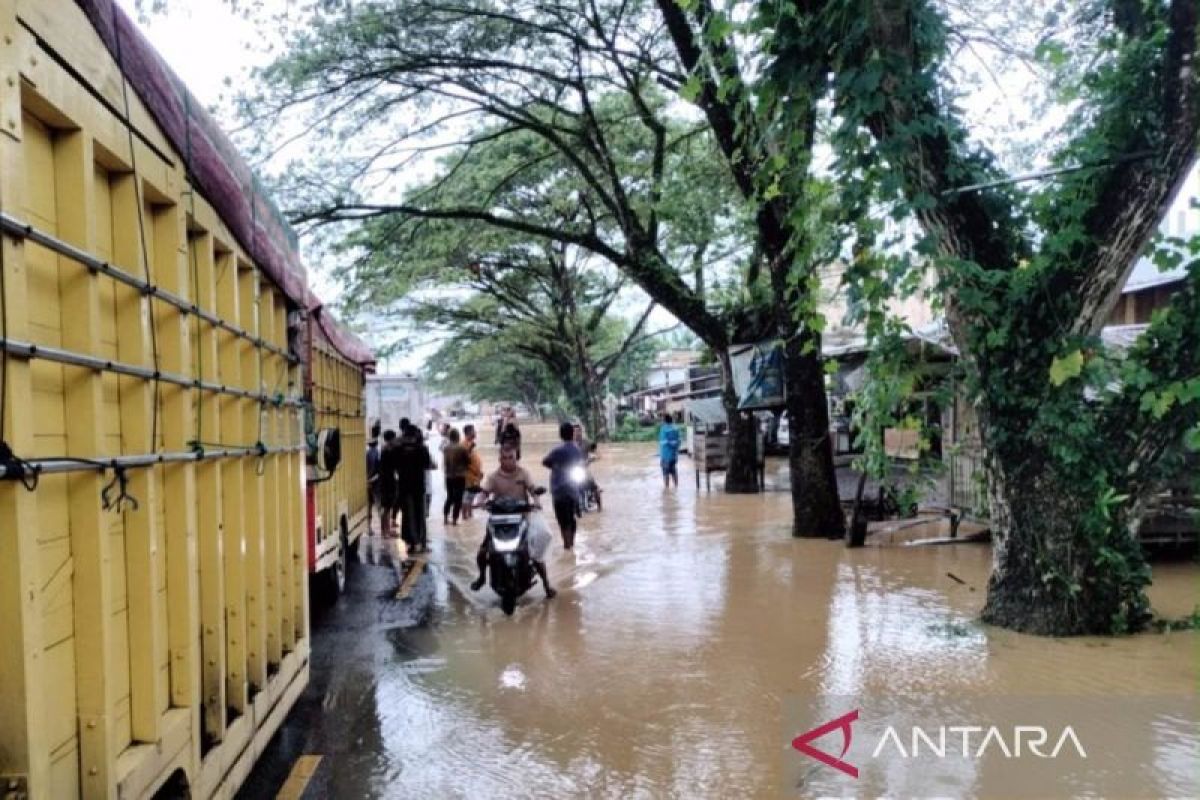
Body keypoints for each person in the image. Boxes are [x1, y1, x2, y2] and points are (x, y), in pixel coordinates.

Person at [471, 445, 556, 597]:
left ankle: (547, 586)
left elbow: (533, 489)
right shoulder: (493, 476)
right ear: (500, 459)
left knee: (534, 553)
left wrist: (536, 501)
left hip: (521, 518)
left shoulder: (524, 473)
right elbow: (484, 492)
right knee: (482, 552)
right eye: (505, 458)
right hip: (497, 520)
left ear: (516, 458)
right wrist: (479, 501)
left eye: (512, 458)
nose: (509, 461)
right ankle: (482, 577)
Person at [542, 421, 584, 549]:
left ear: (560, 435)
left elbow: (544, 462)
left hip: (559, 489)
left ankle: (567, 545)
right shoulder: (577, 449)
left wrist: (556, 467)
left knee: (562, 520)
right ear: (572, 434)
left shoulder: (557, 450)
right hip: (573, 489)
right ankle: (571, 543)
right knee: (571, 518)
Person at [394, 426, 434, 553]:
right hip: (418, 487)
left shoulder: (399, 450)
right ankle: (421, 543)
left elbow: (394, 466)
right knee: (419, 515)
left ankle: (410, 542)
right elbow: (428, 465)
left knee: (407, 516)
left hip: (404, 487)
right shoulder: (422, 449)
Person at [572, 424, 602, 513]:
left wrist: (591, 459)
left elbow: (599, 455)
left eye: (578, 431)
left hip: (584, 469)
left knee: (593, 486)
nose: (576, 433)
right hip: (572, 470)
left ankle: (600, 507)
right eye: (574, 431)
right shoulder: (569, 444)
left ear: (581, 432)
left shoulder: (587, 442)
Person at [442, 428, 469, 525]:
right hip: (459, 476)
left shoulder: (446, 448)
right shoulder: (462, 448)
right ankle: (454, 520)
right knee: (458, 498)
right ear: (458, 436)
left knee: (450, 497)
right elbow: (468, 461)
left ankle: (445, 518)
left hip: (448, 476)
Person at [376, 430, 400, 538]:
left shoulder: (384, 449)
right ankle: (384, 531)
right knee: (386, 507)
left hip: (386, 481)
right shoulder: (388, 450)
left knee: (388, 507)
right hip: (387, 482)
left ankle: (387, 530)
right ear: (391, 439)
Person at [462, 424, 484, 520]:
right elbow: (464, 460)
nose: (475, 432)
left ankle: (470, 517)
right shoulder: (464, 444)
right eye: (473, 430)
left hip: (475, 476)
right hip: (469, 476)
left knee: (471, 498)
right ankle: (465, 517)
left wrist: (479, 473)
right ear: (469, 433)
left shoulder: (470, 443)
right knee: (466, 498)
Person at [659, 412, 681, 489]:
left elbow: (663, 442)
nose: (661, 421)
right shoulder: (676, 429)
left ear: (665, 420)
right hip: (674, 455)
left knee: (666, 474)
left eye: (662, 420)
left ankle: (667, 491)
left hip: (665, 455)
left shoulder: (664, 429)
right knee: (674, 472)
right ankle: (676, 488)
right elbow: (678, 442)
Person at [366, 435, 381, 527]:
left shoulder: (366, 453)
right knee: (379, 506)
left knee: (369, 506)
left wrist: (367, 480)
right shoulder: (378, 453)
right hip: (376, 483)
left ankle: (369, 527)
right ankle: (383, 528)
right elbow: (379, 470)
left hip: (366, 483)